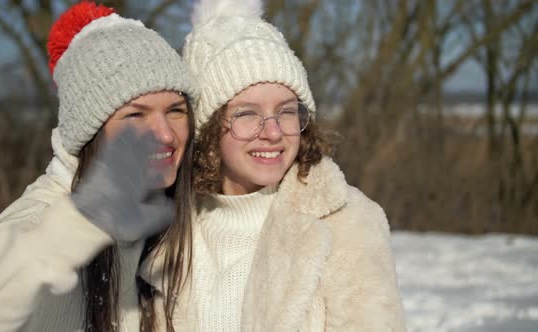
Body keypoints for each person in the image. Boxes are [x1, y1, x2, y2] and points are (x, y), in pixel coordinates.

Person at [140, 0, 407, 330]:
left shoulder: (347, 223)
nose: (273, 132)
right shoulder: (162, 231)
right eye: (247, 113)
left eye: (286, 111)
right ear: (206, 129)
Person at [0, 2, 195, 331]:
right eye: (136, 114)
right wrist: (62, 239)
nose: (165, 134)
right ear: (89, 131)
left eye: (176, 110)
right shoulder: (44, 223)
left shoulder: (160, 216)